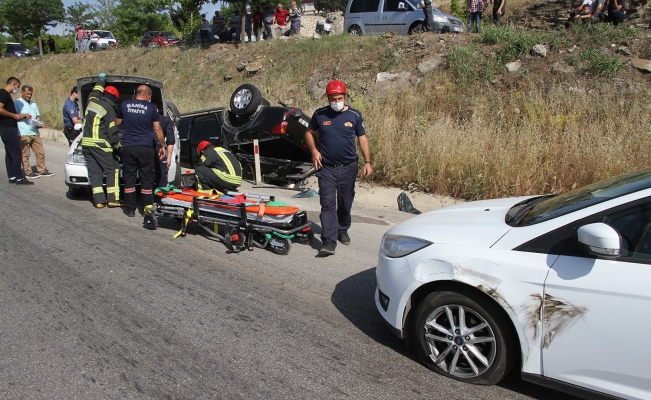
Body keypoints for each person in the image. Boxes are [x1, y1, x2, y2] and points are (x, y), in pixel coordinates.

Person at [304, 80, 373, 256]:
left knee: (345, 202)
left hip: (349, 167)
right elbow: (308, 133)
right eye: (333, 98)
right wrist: (314, 151)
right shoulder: (320, 115)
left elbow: (362, 138)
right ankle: (329, 241)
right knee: (327, 204)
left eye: (339, 98)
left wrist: (367, 161)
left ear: (345, 96)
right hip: (326, 168)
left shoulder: (354, 115)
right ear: (328, 98)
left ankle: (342, 229)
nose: (336, 101)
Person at [115, 85, 165, 217]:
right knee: (146, 178)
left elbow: (117, 123)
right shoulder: (151, 107)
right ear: (147, 95)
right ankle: (146, 207)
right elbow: (157, 129)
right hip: (145, 147)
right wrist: (162, 145)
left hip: (128, 147)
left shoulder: (125, 105)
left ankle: (130, 209)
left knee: (129, 178)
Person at [80, 75, 122, 208]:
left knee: (95, 171)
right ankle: (113, 199)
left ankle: (99, 201)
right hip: (100, 145)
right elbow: (111, 132)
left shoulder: (92, 102)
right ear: (114, 98)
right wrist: (117, 146)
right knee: (113, 169)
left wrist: (101, 81)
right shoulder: (109, 109)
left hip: (86, 144)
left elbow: (95, 92)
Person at [14, 85, 54, 179]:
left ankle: (42, 170)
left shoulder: (33, 104)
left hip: (34, 131)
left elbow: (37, 116)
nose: (29, 96)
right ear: (22, 92)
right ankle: (28, 172)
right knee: (25, 154)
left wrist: (38, 122)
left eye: (30, 94)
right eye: (27, 94)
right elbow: (14, 116)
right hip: (23, 132)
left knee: (40, 152)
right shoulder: (16, 103)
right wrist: (24, 115)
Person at [0, 77, 33, 185]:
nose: (17, 90)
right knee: (16, 153)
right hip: (8, 128)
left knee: (10, 153)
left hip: (7, 127)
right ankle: (19, 178)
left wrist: (21, 116)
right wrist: (13, 115)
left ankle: (13, 176)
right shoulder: (4, 93)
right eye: (17, 87)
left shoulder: (4, 94)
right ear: (13, 84)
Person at [154, 113, 176, 188]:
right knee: (162, 172)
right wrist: (169, 158)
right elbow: (170, 140)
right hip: (158, 147)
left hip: (141, 145)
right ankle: (161, 195)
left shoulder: (143, 118)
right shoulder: (166, 120)